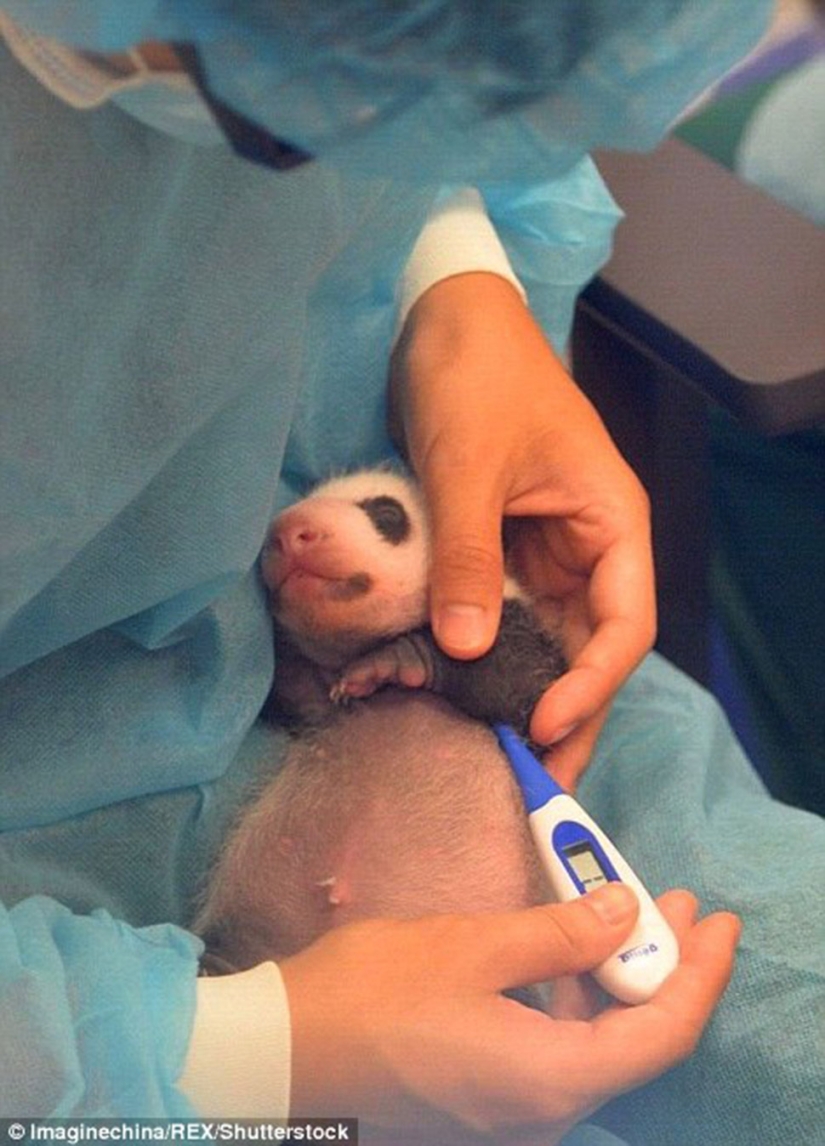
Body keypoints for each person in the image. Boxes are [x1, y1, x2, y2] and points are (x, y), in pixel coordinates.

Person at [2, 1, 805, 1141]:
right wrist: (242, 1060)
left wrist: (448, 275)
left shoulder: (346, 48)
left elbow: (369, 66)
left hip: (499, 752)